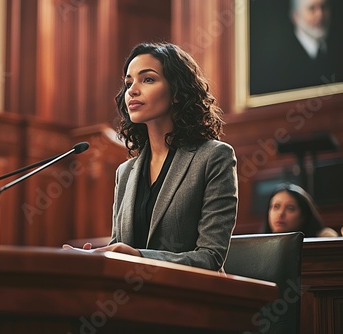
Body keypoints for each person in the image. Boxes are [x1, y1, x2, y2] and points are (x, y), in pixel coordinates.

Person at [63, 42, 238, 271]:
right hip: (133, 300)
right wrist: (98, 257)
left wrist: (139, 257)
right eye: (128, 83)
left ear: (177, 92)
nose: (132, 90)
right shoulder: (124, 173)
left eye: (147, 79)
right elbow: (120, 247)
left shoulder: (214, 157)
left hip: (193, 300)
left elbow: (211, 258)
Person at [250, 0, 343, 94]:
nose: (320, 15)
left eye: (324, 7)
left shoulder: (338, 48)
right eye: (312, 9)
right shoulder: (277, 59)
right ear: (295, 16)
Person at [263, 183, 339, 237]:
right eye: (276, 207)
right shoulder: (258, 244)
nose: (280, 213)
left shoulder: (322, 239)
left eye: (290, 208)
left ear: (304, 215)